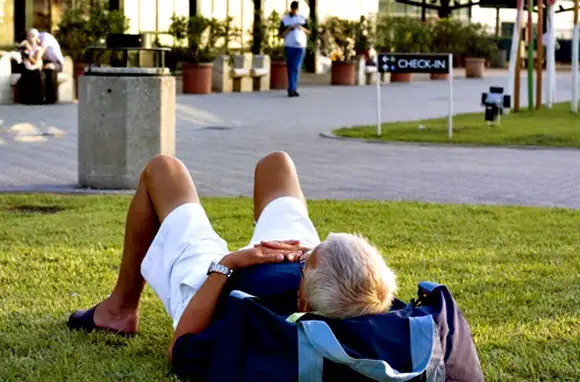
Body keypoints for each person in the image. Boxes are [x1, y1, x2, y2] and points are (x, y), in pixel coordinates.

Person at [67, 151, 398, 370]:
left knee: (164, 169)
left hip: (215, 281)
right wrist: (304, 254)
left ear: (302, 302)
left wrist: (229, 264)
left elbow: (180, 350)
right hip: (303, 269)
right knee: (277, 164)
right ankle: (315, 259)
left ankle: (119, 311)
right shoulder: (375, 308)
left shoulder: (256, 324)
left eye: (308, 260)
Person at [279, 1, 310, 98]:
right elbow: (281, 35)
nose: (294, 10)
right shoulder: (285, 20)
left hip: (300, 46)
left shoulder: (302, 19)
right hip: (289, 45)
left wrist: (301, 28)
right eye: (293, 8)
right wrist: (289, 29)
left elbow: (309, 31)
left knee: (296, 67)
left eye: (296, 9)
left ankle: (293, 88)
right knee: (290, 67)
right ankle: (292, 88)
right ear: (291, 8)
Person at [16, 29, 46, 105]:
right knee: (25, 75)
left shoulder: (39, 49)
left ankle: (36, 99)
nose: (30, 38)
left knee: (34, 75)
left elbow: (35, 61)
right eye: (28, 36)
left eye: (32, 36)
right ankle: (26, 99)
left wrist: (28, 55)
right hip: (27, 70)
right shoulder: (24, 48)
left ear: (36, 37)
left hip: (36, 70)